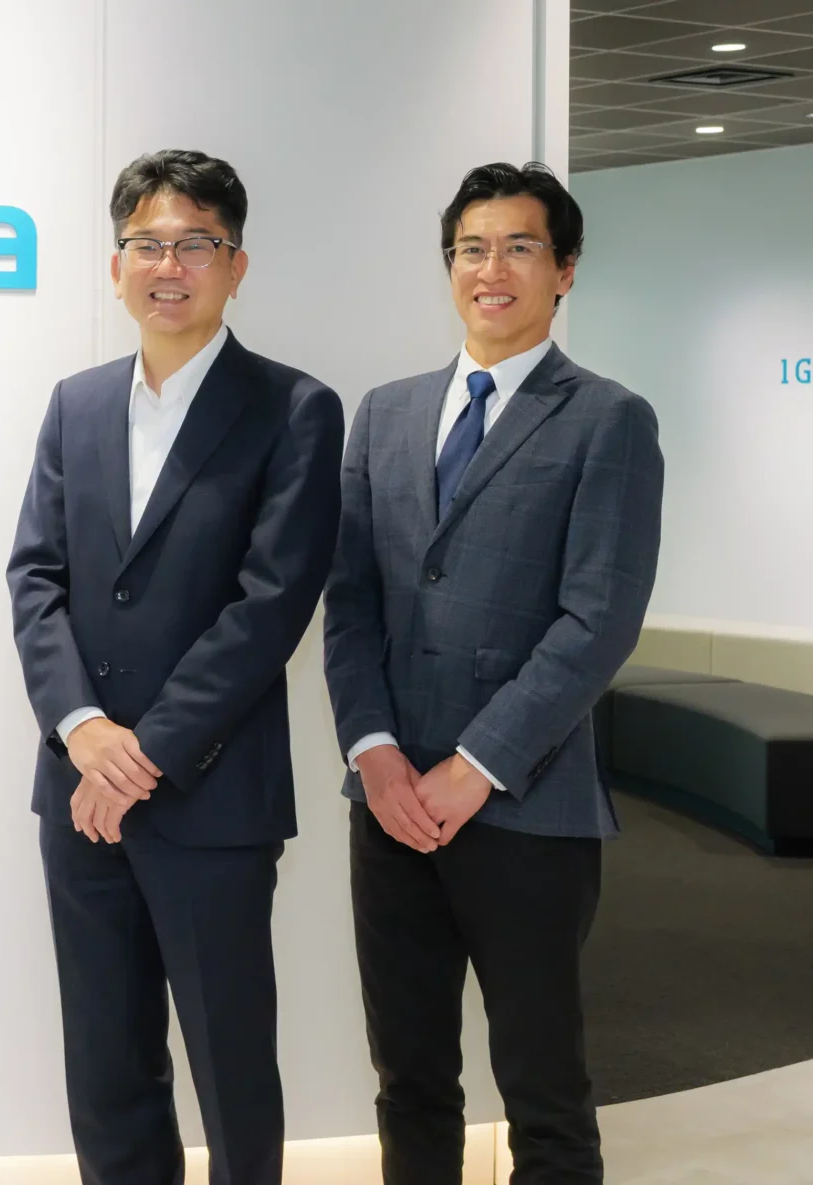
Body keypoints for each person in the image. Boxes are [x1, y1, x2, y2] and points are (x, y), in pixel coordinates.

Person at [322, 161, 664, 1185]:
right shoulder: (384, 413)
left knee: (543, 1092)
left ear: (564, 270)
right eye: (471, 248)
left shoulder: (606, 419)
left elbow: (596, 622)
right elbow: (351, 603)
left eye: (519, 247)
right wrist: (374, 752)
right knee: (408, 1077)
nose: (491, 269)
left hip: (524, 807)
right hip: (389, 809)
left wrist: (474, 766)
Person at [6, 150, 344, 1185]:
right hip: (80, 799)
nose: (169, 266)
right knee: (107, 1066)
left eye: (195, 244)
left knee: (229, 1064)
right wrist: (81, 730)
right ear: (116, 266)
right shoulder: (75, 404)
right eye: (146, 245)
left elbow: (269, 604)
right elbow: (35, 578)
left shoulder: (293, 408)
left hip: (211, 798)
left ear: (236, 264)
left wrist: (142, 754)